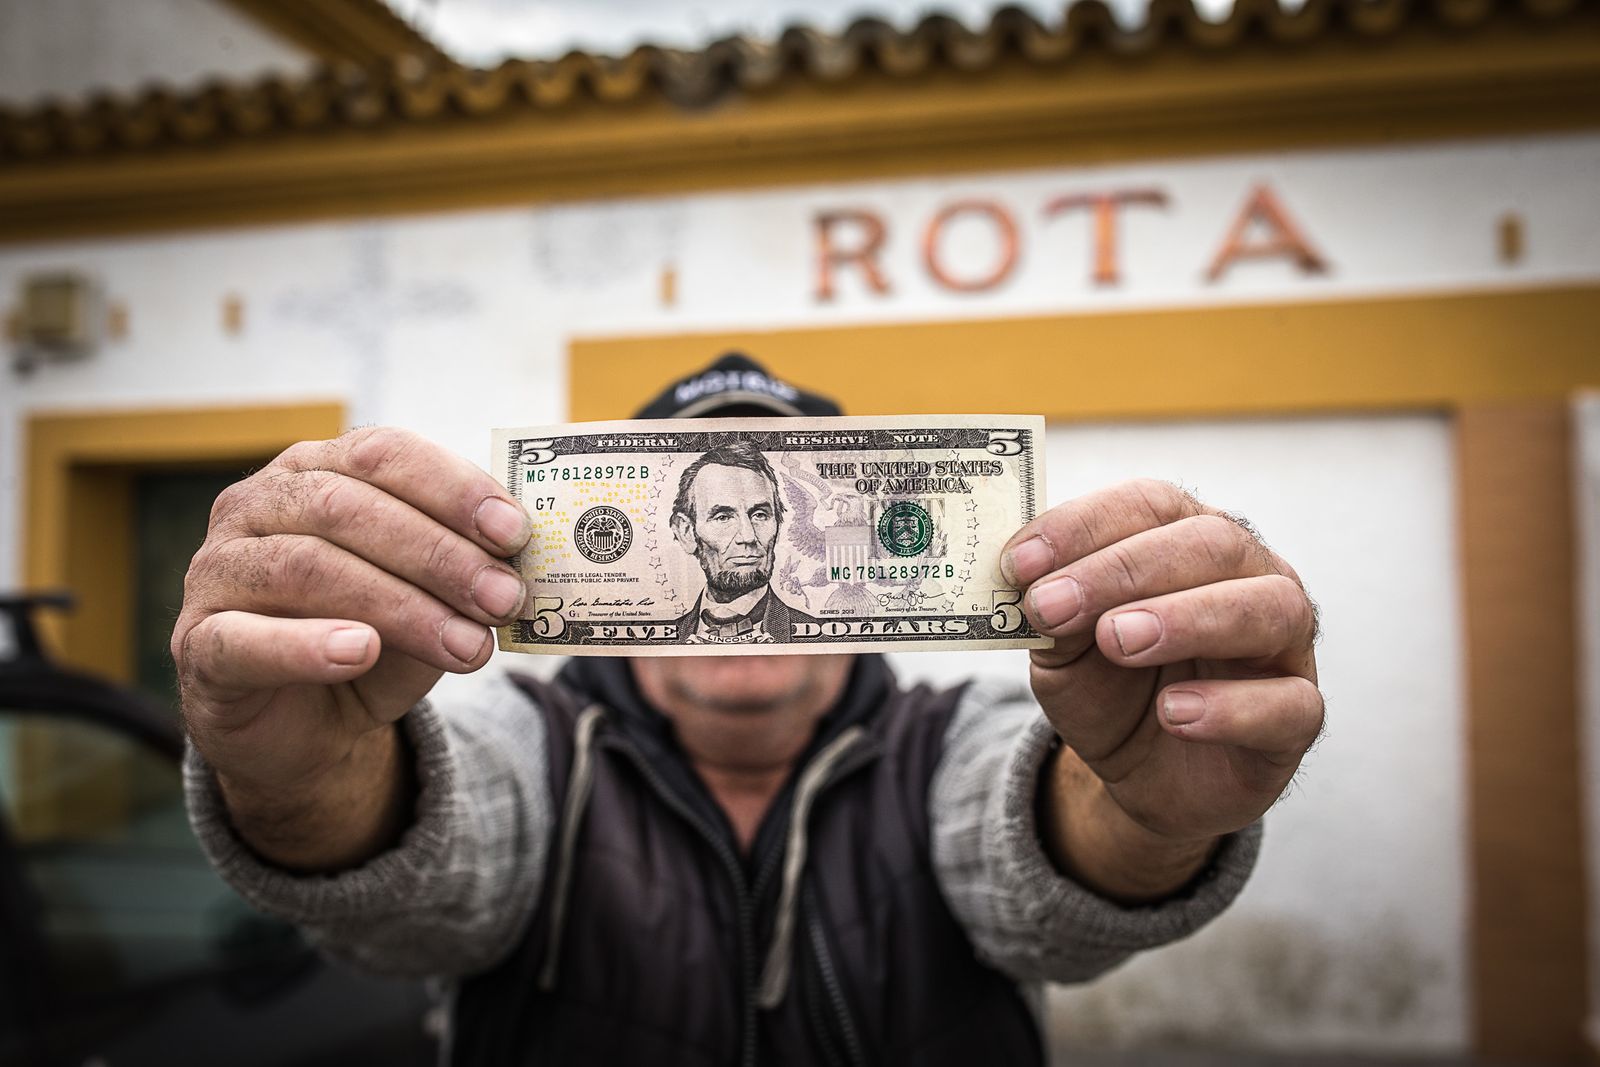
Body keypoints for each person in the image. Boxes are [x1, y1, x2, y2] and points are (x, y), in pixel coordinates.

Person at [176, 354, 1322, 1065]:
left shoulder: (945, 736)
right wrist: (300, 781)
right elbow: (436, 879)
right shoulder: (533, 733)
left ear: (815, 537)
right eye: (712, 517)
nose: (738, 544)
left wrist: (1155, 816)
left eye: (764, 514)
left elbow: (1026, 865)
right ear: (668, 535)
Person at [670, 438, 820, 644]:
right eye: (723, 517)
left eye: (759, 515)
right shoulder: (662, 641)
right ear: (686, 532)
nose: (748, 537)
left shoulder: (819, 636)